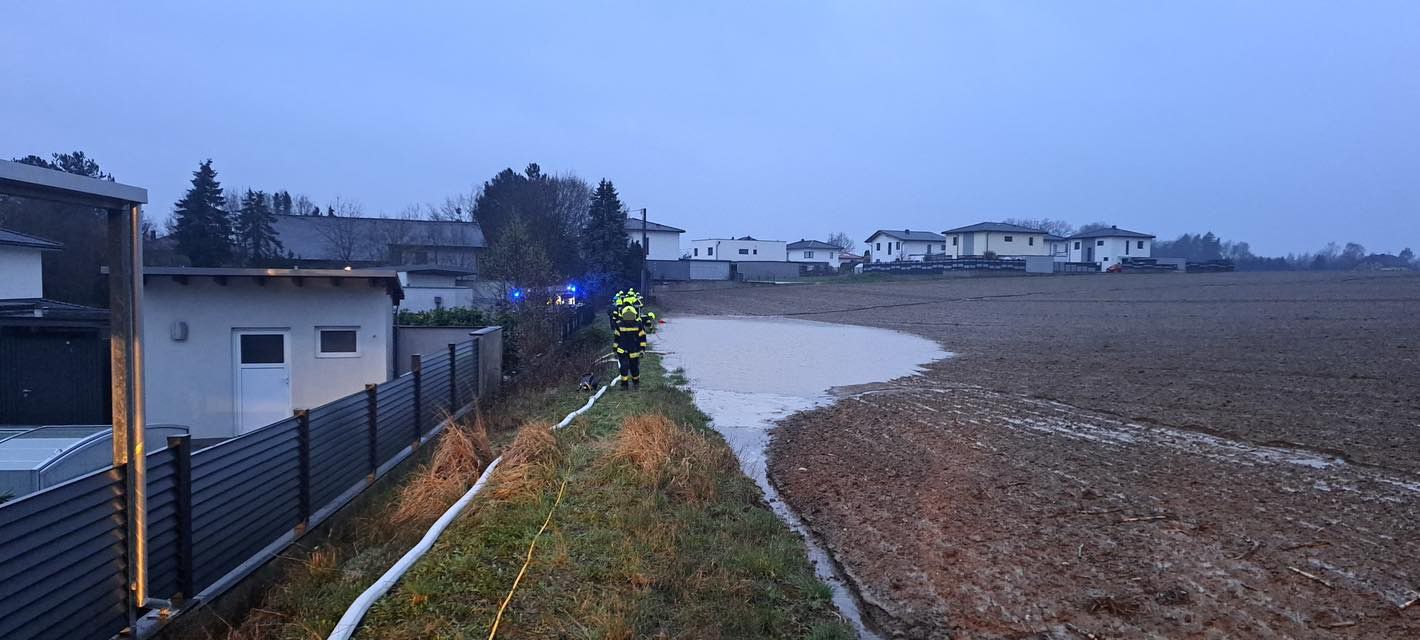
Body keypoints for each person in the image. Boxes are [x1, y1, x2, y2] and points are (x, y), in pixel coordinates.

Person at [613, 304, 648, 389]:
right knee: (623, 367)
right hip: (622, 351)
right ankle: (624, 385)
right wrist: (614, 350)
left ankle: (636, 383)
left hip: (634, 351)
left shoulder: (638, 325)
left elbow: (642, 338)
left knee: (634, 368)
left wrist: (642, 350)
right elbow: (616, 339)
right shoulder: (619, 325)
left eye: (630, 315)